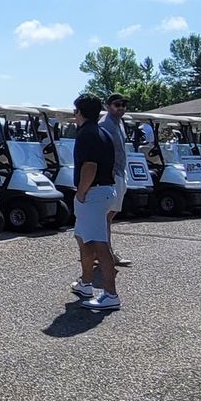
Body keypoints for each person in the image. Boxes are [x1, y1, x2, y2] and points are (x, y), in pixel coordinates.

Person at [68, 94, 120, 311]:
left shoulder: (86, 134)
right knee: (83, 238)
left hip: (93, 193)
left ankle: (111, 295)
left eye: (75, 110)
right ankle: (86, 283)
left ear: (80, 112)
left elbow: (90, 166)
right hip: (104, 190)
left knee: (100, 244)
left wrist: (81, 193)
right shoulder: (102, 132)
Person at [102, 93, 133, 269]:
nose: (120, 107)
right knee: (106, 215)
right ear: (108, 106)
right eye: (116, 104)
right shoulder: (105, 124)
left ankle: (103, 251)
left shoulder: (119, 123)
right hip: (111, 175)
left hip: (120, 172)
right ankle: (106, 253)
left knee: (110, 214)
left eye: (123, 104)